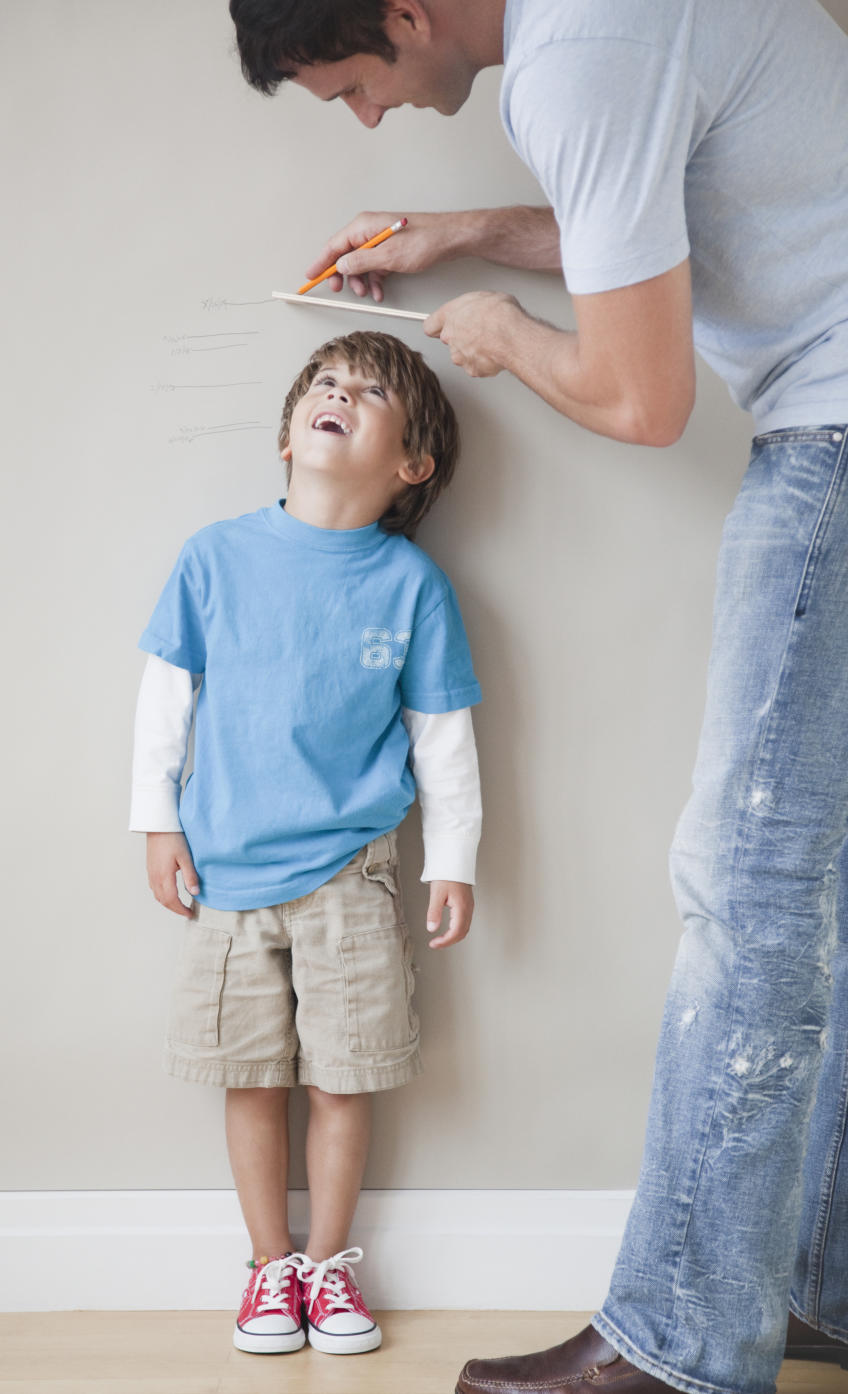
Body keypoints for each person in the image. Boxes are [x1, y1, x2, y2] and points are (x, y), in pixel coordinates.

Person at [228, 2, 848, 1393]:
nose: (372, 117)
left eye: (356, 89)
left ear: (403, 14)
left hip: (839, 434)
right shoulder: (606, 25)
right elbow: (657, 220)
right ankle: (816, 1281)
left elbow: (641, 395)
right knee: (822, 894)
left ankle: (687, 1338)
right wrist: (462, 236)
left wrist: (506, 330)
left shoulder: (582, 56)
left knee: (748, 887)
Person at [130, 329, 482, 1356]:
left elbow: (444, 737)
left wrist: (452, 856)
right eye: (325, 383)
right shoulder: (214, 556)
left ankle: (328, 1264)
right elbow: (165, 700)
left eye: (370, 393)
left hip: (354, 873)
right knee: (254, 1075)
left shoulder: (411, 584)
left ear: (410, 462)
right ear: (289, 431)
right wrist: (155, 817)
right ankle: (268, 1265)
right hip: (227, 871)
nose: (340, 394)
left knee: (341, 1074)